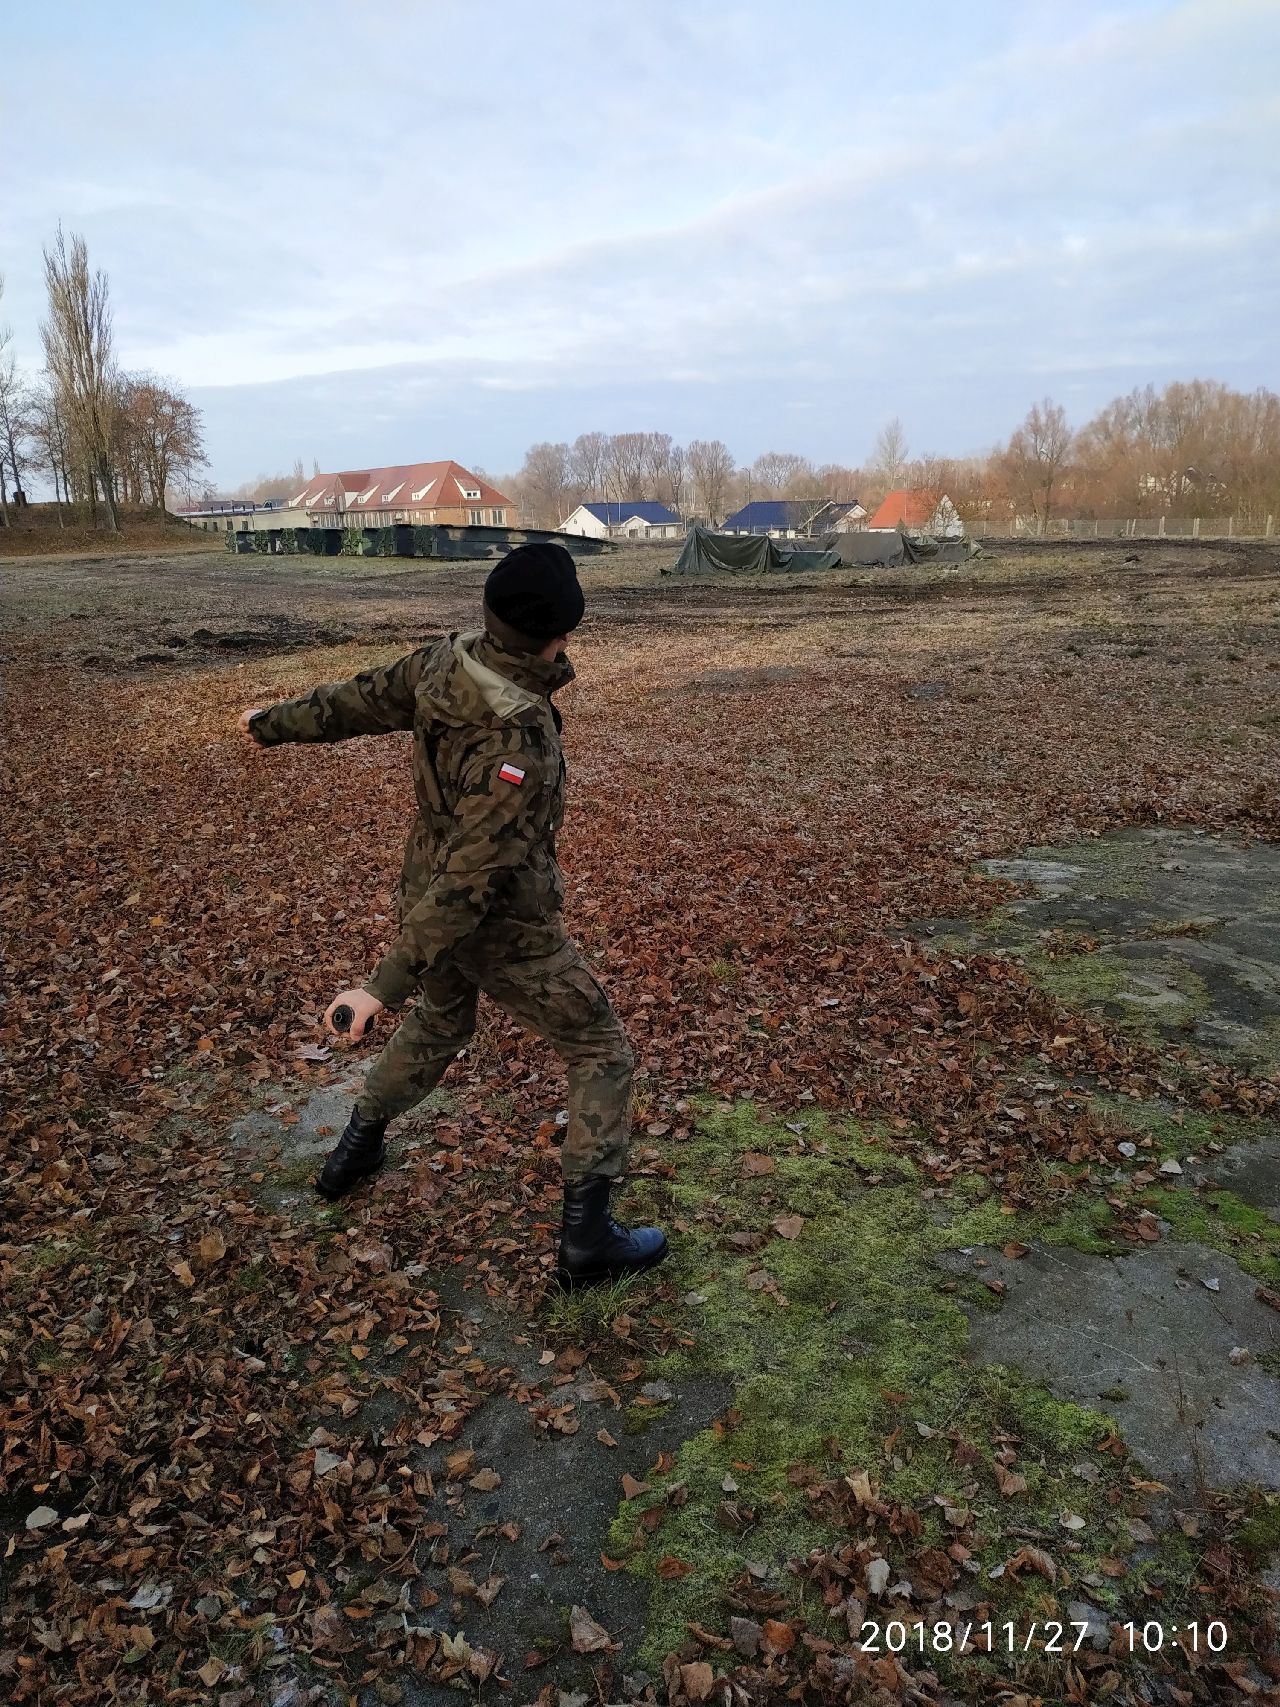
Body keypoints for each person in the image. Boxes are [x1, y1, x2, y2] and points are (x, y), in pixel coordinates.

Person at [237, 542, 667, 1289]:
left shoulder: (446, 660)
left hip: (423, 897)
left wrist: (271, 721)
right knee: (602, 1051)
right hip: (501, 929)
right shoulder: (517, 738)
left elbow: (354, 700)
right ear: (561, 634)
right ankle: (589, 1241)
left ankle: (355, 1149)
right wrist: (380, 988)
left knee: (441, 1022)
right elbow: (473, 883)